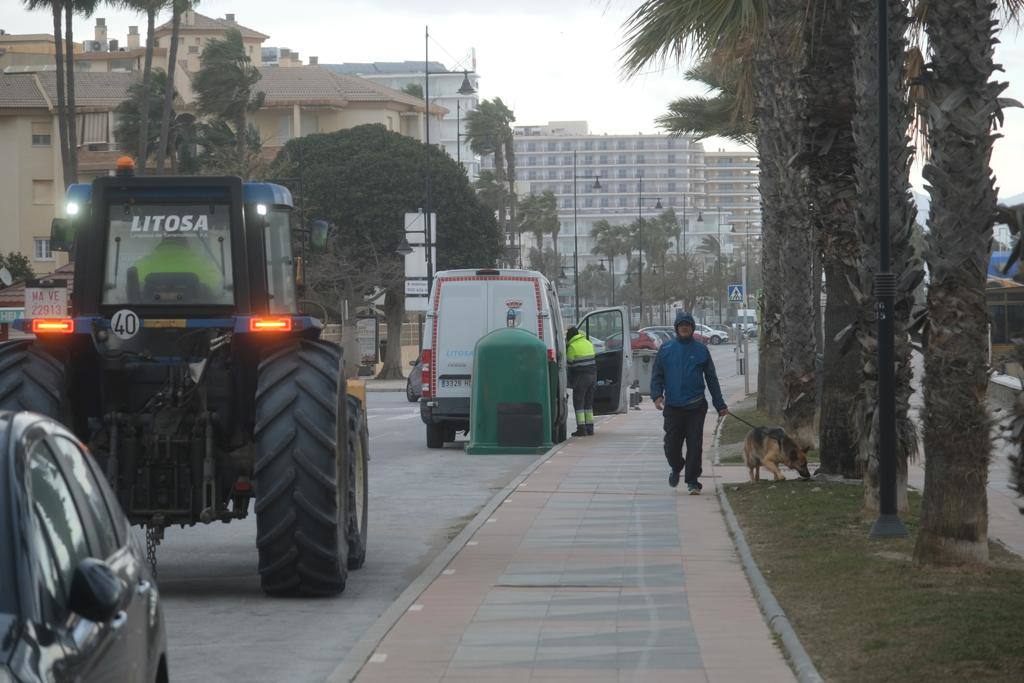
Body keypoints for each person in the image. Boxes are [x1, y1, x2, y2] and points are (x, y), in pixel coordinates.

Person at [651, 311, 728, 494]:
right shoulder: (666, 349)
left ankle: (692, 481)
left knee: (694, 445)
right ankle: (677, 466)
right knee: (671, 445)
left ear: (692, 328)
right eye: (681, 325)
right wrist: (657, 395)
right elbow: (657, 375)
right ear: (677, 328)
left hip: (695, 406)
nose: (684, 327)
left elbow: (711, 378)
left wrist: (720, 404)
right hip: (673, 407)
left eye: (687, 324)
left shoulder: (701, 350)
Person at [565, 326, 597, 436]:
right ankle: (590, 428)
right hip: (593, 376)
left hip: (581, 377)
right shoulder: (588, 342)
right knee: (588, 403)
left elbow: (569, 364)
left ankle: (581, 429)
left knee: (578, 402)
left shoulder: (572, 347)